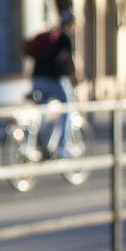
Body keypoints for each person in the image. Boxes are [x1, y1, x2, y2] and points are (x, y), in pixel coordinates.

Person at [29, 11, 79, 157]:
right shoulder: (65, 38)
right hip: (54, 79)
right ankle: (62, 145)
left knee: (43, 110)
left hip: (37, 78)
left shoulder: (48, 35)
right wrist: (74, 78)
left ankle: (40, 142)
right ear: (71, 24)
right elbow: (68, 60)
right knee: (68, 106)